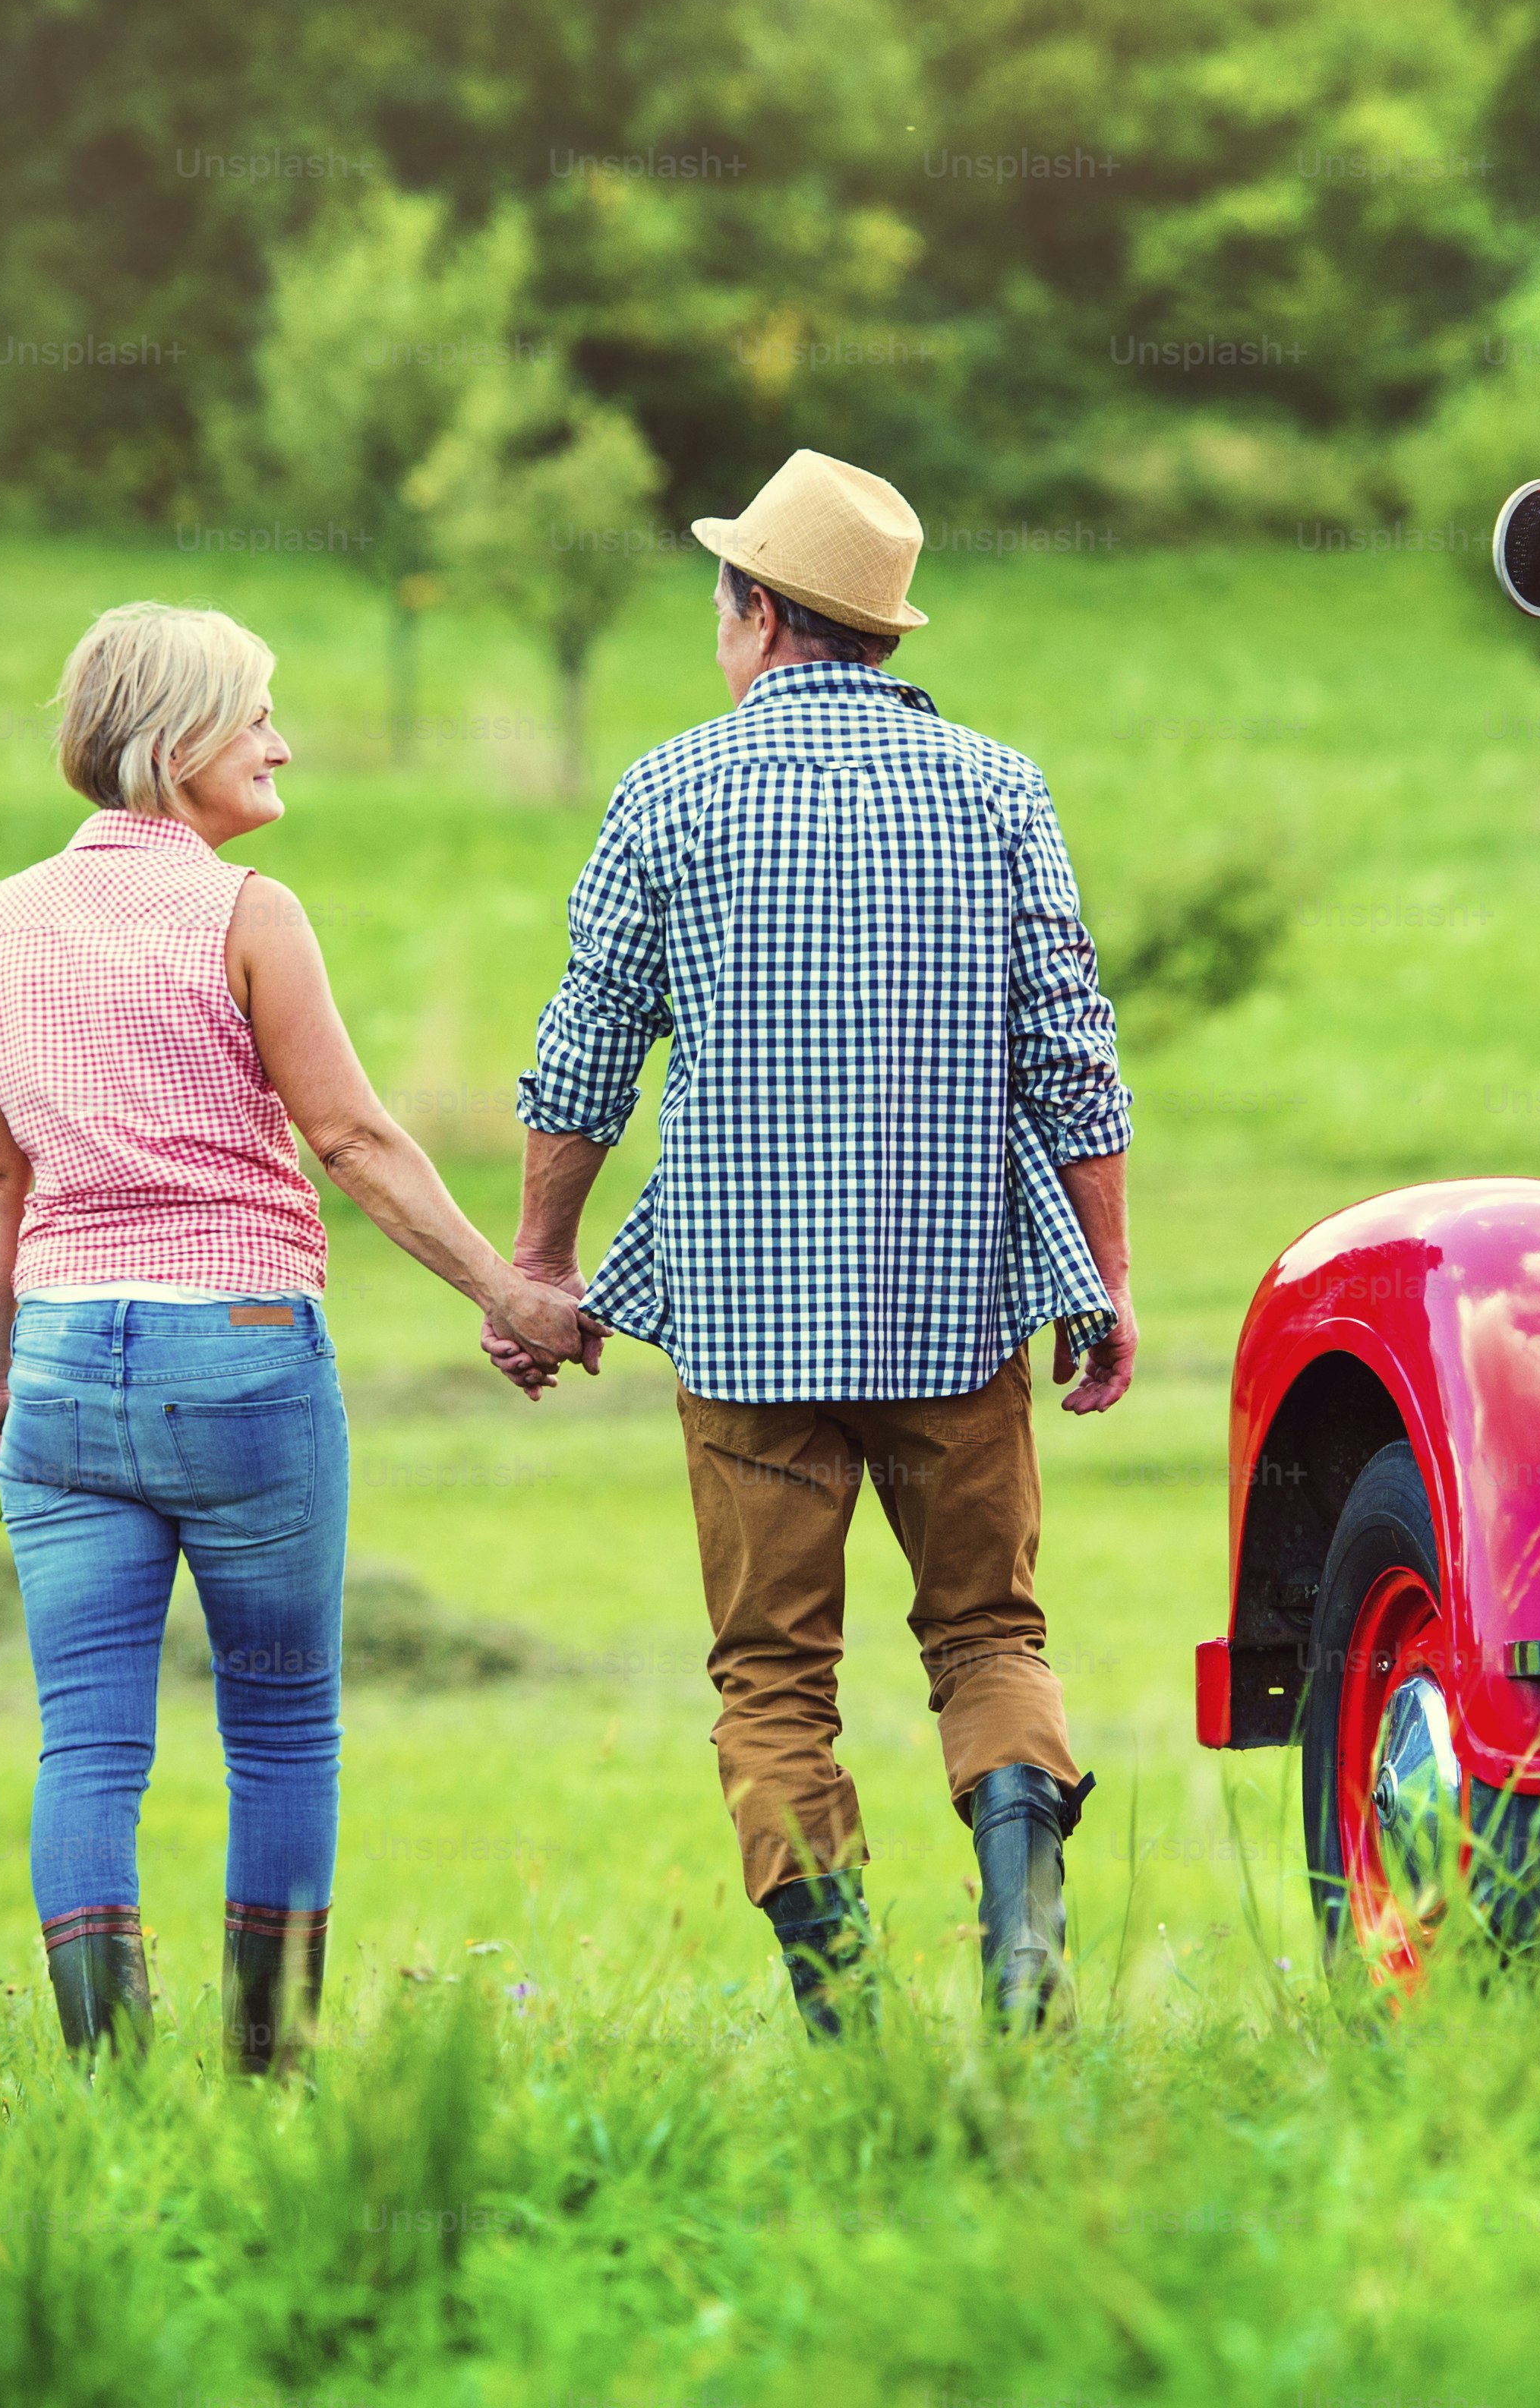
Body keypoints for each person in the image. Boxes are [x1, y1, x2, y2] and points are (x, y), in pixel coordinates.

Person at [487, 450, 1135, 2037]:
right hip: (956, 1316)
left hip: (743, 1334)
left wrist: (542, 1266)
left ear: (759, 615)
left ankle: (853, 2027)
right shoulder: (998, 788)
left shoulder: (669, 792)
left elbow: (584, 1058)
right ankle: (1025, 1957)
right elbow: (1074, 1052)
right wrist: (1106, 1281)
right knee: (988, 1629)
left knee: (771, 1679)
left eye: (724, 601)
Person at [0, 601, 589, 2073]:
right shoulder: (249, 915)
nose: (281, 743)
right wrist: (507, 1290)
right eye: (256, 717)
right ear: (175, 741)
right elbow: (354, 1139)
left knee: (89, 1744)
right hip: (238, 1351)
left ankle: (111, 2084)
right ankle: (269, 2071)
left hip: (60, 1364)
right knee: (286, 1727)